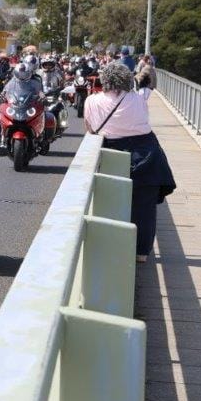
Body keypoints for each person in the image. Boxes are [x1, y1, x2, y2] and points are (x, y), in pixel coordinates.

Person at [85, 62, 175, 262]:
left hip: (110, 152)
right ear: (127, 80)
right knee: (145, 206)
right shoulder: (139, 97)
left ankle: (111, 247)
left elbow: (90, 128)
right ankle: (141, 252)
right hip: (145, 153)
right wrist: (143, 73)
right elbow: (149, 82)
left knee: (109, 201)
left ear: (104, 81)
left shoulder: (92, 101)